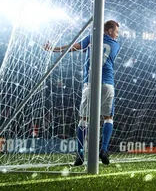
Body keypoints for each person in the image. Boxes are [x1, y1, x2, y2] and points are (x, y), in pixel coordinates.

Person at [44, 20, 120, 166]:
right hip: (108, 84)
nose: (117, 35)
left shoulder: (92, 37)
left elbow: (73, 47)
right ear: (110, 31)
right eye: (116, 31)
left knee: (83, 119)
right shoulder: (116, 45)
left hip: (90, 83)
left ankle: (80, 154)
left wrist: (54, 48)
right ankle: (103, 149)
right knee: (108, 118)